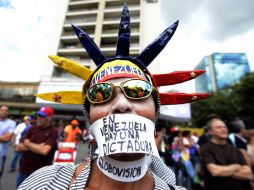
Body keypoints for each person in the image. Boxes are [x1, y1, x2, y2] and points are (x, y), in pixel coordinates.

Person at [18, 4, 209, 190]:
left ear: (155, 112)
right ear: (89, 117)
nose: (121, 105)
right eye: (100, 94)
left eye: (138, 91)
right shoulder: (43, 183)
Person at [200, 117, 253, 190]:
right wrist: (236, 167)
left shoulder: (235, 149)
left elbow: (248, 174)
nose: (223, 129)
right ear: (210, 131)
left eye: (224, 127)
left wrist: (224, 171)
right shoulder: (206, 148)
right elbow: (215, 171)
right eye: (219, 127)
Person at [15, 106, 58, 188]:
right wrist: (38, 147)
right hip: (24, 169)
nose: (39, 118)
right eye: (38, 116)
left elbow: (44, 151)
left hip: (41, 173)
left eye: (42, 116)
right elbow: (18, 147)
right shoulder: (32, 128)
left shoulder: (53, 131)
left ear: (49, 118)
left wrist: (28, 143)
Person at [0, 105, 16, 177]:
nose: (4, 112)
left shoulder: (12, 123)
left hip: (2, 153)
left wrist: (6, 136)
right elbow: (4, 137)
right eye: (2, 110)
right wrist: (3, 136)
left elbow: (7, 138)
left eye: (6, 110)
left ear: (8, 113)